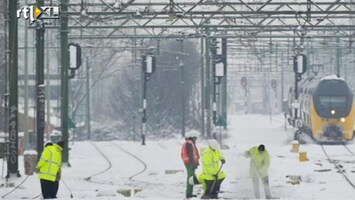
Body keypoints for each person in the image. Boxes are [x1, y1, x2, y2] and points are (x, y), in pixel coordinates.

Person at [181, 130, 200, 199]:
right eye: (195, 138)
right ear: (192, 137)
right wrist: (193, 163)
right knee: (190, 178)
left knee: (191, 178)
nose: (196, 139)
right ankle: (188, 193)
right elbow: (191, 155)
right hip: (190, 163)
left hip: (188, 163)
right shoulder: (189, 144)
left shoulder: (188, 143)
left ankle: (189, 192)